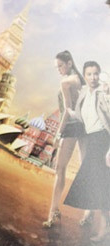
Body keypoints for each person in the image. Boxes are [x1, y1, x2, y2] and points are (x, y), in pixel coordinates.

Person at [64, 60, 110, 241]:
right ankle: (100, 222)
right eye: (89, 74)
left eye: (96, 74)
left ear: (100, 75)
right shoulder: (84, 93)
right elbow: (82, 116)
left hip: (103, 140)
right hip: (92, 140)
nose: (93, 77)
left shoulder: (103, 93)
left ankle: (104, 229)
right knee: (97, 182)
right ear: (85, 76)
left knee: (100, 183)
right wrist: (70, 112)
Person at [43, 50, 85, 228]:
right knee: (86, 168)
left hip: (71, 126)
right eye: (57, 67)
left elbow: (67, 110)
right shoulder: (80, 80)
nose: (58, 70)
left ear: (69, 63)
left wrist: (58, 133)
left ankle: (53, 213)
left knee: (60, 169)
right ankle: (88, 214)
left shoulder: (66, 82)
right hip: (85, 126)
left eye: (60, 66)